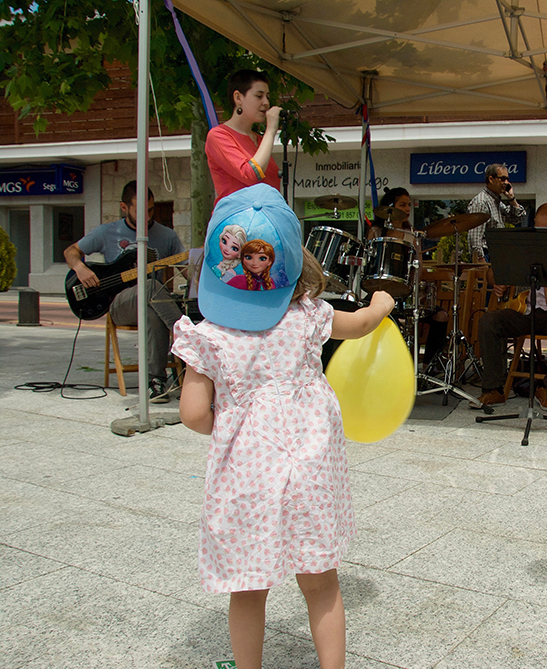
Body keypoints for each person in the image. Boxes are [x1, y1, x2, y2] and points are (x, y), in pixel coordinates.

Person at [172, 184, 394, 669]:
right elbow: (359, 325)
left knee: (248, 588)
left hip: (246, 478)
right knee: (321, 585)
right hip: (310, 471)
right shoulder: (308, 317)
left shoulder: (207, 336)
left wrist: (233, 422)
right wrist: (380, 305)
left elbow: (192, 414)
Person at [64, 180, 186, 403]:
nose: (147, 216)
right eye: (141, 211)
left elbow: (187, 270)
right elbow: (71, 251)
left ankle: (155, 382)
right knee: (150, 287)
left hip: (153, 303)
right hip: (119, 303)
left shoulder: (167, 236)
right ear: (124, 207)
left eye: (150, 210)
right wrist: (80, 267)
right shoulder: (107, 232)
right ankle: (190, 340)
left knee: (152, 307)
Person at [472, 203, 547, 411]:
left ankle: (546, 387)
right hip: (527, 311)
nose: (542, 235)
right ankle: (494, 389)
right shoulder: (525, 248)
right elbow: (492, 272)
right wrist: (496, 281)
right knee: (489, 321)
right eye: (539, 229)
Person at [372, 186, 448, 366]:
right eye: (402, 204)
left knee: (442, 316)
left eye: (408, 205)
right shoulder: (376, 231)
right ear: (390, 207)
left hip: (407, 294)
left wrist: (417, 291)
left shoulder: (412, 234)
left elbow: (418, 265)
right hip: (381, 292)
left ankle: (429, 365)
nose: (407, 209)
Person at [205, 69, 282, 203]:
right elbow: (251, 174)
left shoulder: (259, 139)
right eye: (259, 96)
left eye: (267, 97)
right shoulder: (219, 135)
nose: (266, 103)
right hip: (237, 219)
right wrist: (271, 130)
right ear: (238, 98)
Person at [467, 163, 526, 264]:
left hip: (497, 253)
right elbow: (474, 236)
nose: (506, 183)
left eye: (507, 179)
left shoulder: (496, 202)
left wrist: (511, 198)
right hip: (486, 255)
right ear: (491, 179)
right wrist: (481, 260)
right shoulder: (481, 202)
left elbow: (517, 218)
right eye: (502, 179)